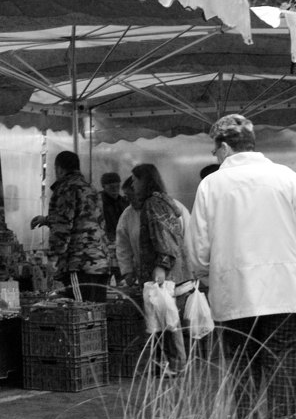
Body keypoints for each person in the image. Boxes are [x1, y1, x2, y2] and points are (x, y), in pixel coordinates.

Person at [190, 114, 296, 419]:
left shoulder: (210, 185)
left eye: (215, 151)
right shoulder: (286, 177)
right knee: (282, 377)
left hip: (234, 297)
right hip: (288, 296)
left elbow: (198, 249)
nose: (216, 157)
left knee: (243, 373)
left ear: (224, 148)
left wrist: (205, 275)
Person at [119, 164, 189, 373]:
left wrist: (160, 267)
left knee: (167, 320)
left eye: (135, 180)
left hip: (163, 273)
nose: (133, 185)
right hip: (170, 273)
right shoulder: (162, 202)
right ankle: (168, 364)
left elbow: (163, 238)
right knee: (167, 318)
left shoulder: (153, 204)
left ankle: (176, 364)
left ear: (145, 180)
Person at [31, 151, 111, 301]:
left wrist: (53, 258)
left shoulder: (65, 188)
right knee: (97, 311)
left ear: (59, 169)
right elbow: (85, 218)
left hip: (79, 263)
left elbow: (62, 226)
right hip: (101, 262)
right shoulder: (91, 189)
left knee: (80, 309)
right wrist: (47, 220)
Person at [99, 172, 129, 279]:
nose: (115, 190)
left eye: (117, 186)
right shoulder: (98, 203)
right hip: (104, 245)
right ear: (104, 186)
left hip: (119, 245)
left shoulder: (123, 202)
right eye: (111, 187)